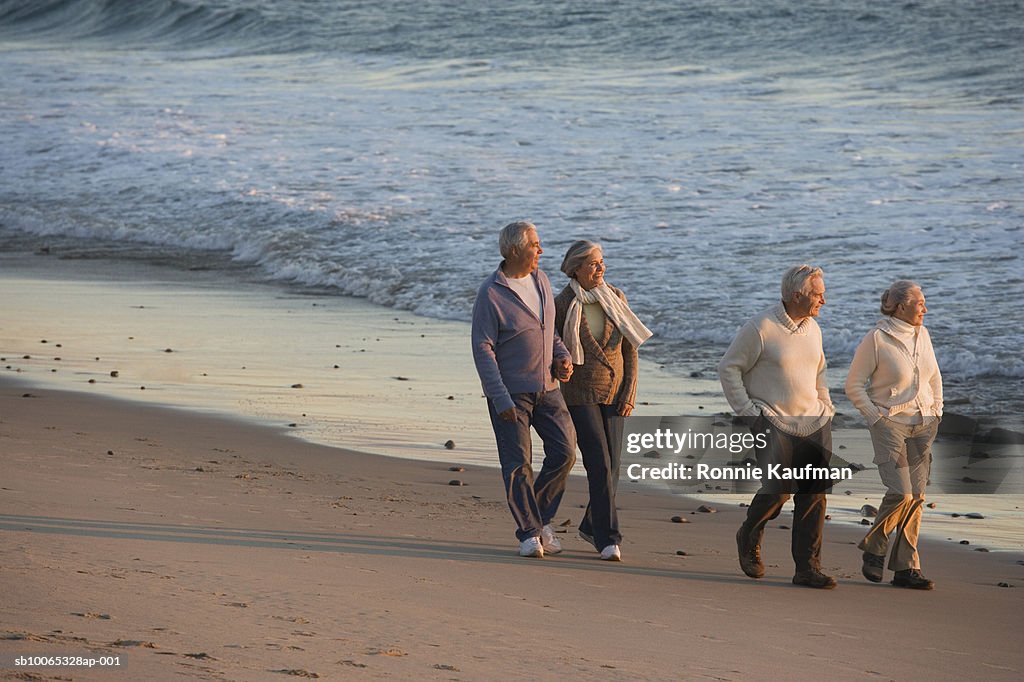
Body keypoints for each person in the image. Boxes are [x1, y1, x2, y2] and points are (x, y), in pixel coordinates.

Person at [718, 265, 838, 589]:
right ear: (797, 294)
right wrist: (747, 412)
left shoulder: (813, 328)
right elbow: (728, 368)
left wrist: (826, 405)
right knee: (779, 490)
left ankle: (807, 568)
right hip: (770, 418)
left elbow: (820, 370)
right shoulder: (761, 327)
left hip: (813, 419)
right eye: (818, 294)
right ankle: (749, 532)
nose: (824, 300)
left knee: (814, 494)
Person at [471, 220, 577, 558]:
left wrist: (562, 356)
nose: (541, 251)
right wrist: (499, 396)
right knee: (518, 465)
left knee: (565, 453)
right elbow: (482, 347)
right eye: (535, 245)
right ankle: (529, 533)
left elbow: (550, 333)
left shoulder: (541, 281)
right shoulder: (491, 294)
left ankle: (541, 519)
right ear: (516, 250)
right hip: (510, 394)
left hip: (548, 388)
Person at [554, 240, 652, 562]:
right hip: (579, 394)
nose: (601, 268)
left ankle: (590, 526)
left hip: (615, 390)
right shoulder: (563, 304)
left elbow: (630, 349)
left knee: (614, 468)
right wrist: (559, 366)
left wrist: (630, 393)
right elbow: (555, 350)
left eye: (602, 262)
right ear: (576, 268)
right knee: (599, 462)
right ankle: (609, 538)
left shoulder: (616, 297)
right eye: (594, 264)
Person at [846, 280, 942, 590]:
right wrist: (875, 416)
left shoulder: (922, 334)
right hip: (890, 424)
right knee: (902, 492)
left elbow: (934, 377)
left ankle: (906, 568)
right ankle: (875, 546)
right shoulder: (876, 339)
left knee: (917, 497)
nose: (925, 309)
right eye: (919, 304)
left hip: (924, 423)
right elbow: (853, 385)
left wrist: (937, 410)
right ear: (900, 307)